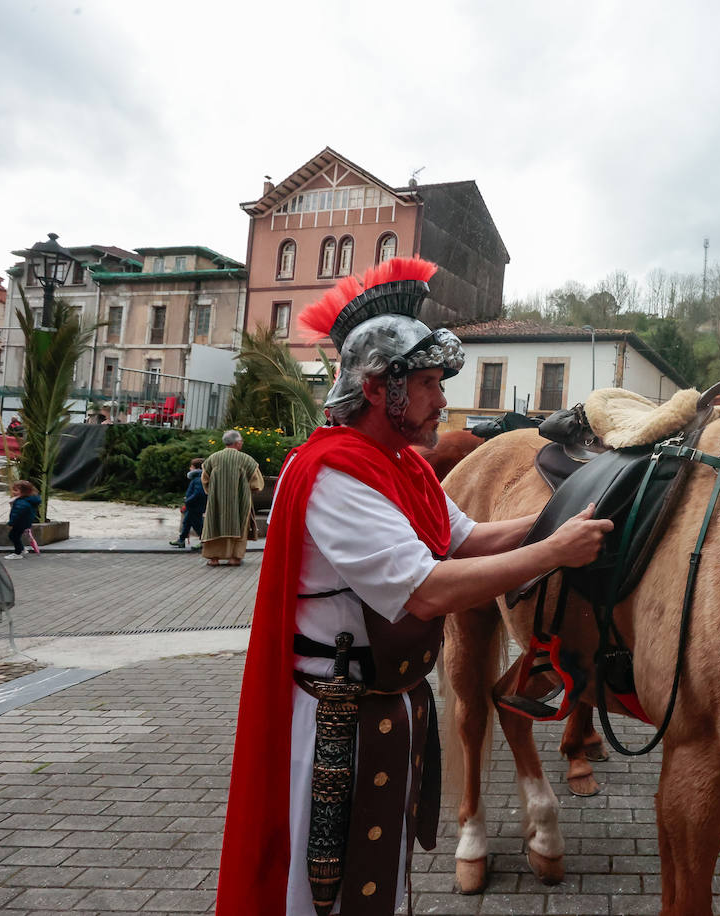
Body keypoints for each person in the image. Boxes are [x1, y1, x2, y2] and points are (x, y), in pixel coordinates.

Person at [215, 257, 613, 916]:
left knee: (380, 877)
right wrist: (552, 550)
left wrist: (563, 513)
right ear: (377, 389)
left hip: (390, 707)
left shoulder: (404, 466)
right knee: (326, 893)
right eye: (427, 383)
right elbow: (426, 591)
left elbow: (467, 539)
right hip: (335, 720)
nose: (441, 400)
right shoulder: (335, 476)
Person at [200, 431, 264, 567]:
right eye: (241, 441)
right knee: (239, 527)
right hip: (240, 502)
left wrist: (212, 492)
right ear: (236, 443)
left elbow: (205, 480)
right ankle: (235, 558)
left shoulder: (212, 458)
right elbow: (257, 484)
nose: (242, 443)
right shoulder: (246, 460)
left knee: (214, 525)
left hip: (216, 501)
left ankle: (214, 558)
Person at [170, 457, 207, 549]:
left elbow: (198, 493)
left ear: (196, 468)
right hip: (193, 505)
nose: (190, 468)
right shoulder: (198, 477)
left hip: (195, 506)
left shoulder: (198, 478)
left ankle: (204, 542)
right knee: (187, 522)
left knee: (197, 524)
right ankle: (181, 540)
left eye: (191, 466)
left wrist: (188, 500)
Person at [4, 480, 41, 560]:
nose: (13, 492)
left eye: (16, 490)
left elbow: (17, 514)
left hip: (20, 523)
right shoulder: (28, 500)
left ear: (24, 492)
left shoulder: (21, 502)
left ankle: (18, 553)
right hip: (25, 522)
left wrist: (11, 523)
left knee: (13, 536)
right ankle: (22, 549)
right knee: (15, 536)